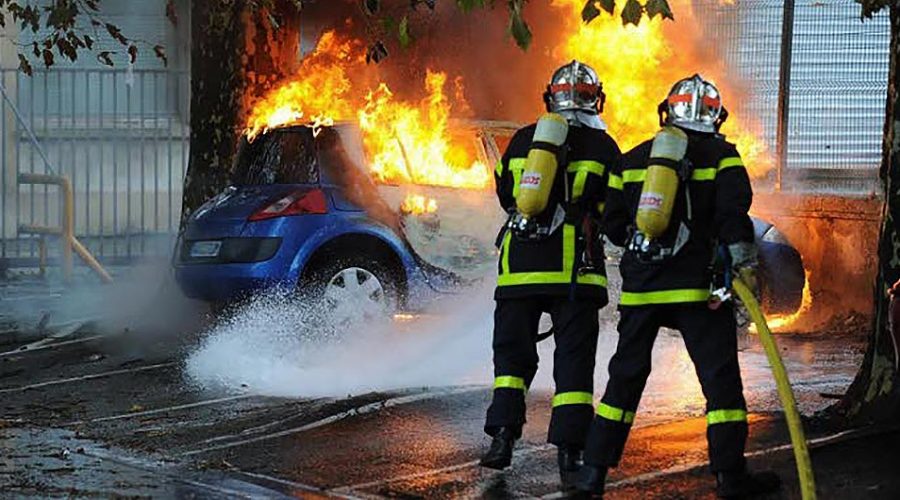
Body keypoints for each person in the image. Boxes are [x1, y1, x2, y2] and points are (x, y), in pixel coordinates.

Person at [575, 74, 781, 498]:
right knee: (720, 382)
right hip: (697, 291)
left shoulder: (632, 160)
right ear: (715, 116)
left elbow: (613, 227)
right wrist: (745, 269)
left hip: (641, 290)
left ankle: (592, 475)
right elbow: (733, 217)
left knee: (624, 380)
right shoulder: (722, 155)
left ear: (667, 111)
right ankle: (729, 477)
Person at [480, 60, 621, 489]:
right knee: (574, 364)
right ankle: (569, 453)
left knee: (510, 360)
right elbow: (615, 214)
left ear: (551, 98)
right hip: (575, 274)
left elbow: (507, 195)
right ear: (595, 99)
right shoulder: (603, 146)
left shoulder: (524, 140)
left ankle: (502, 439)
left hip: (519, 271)